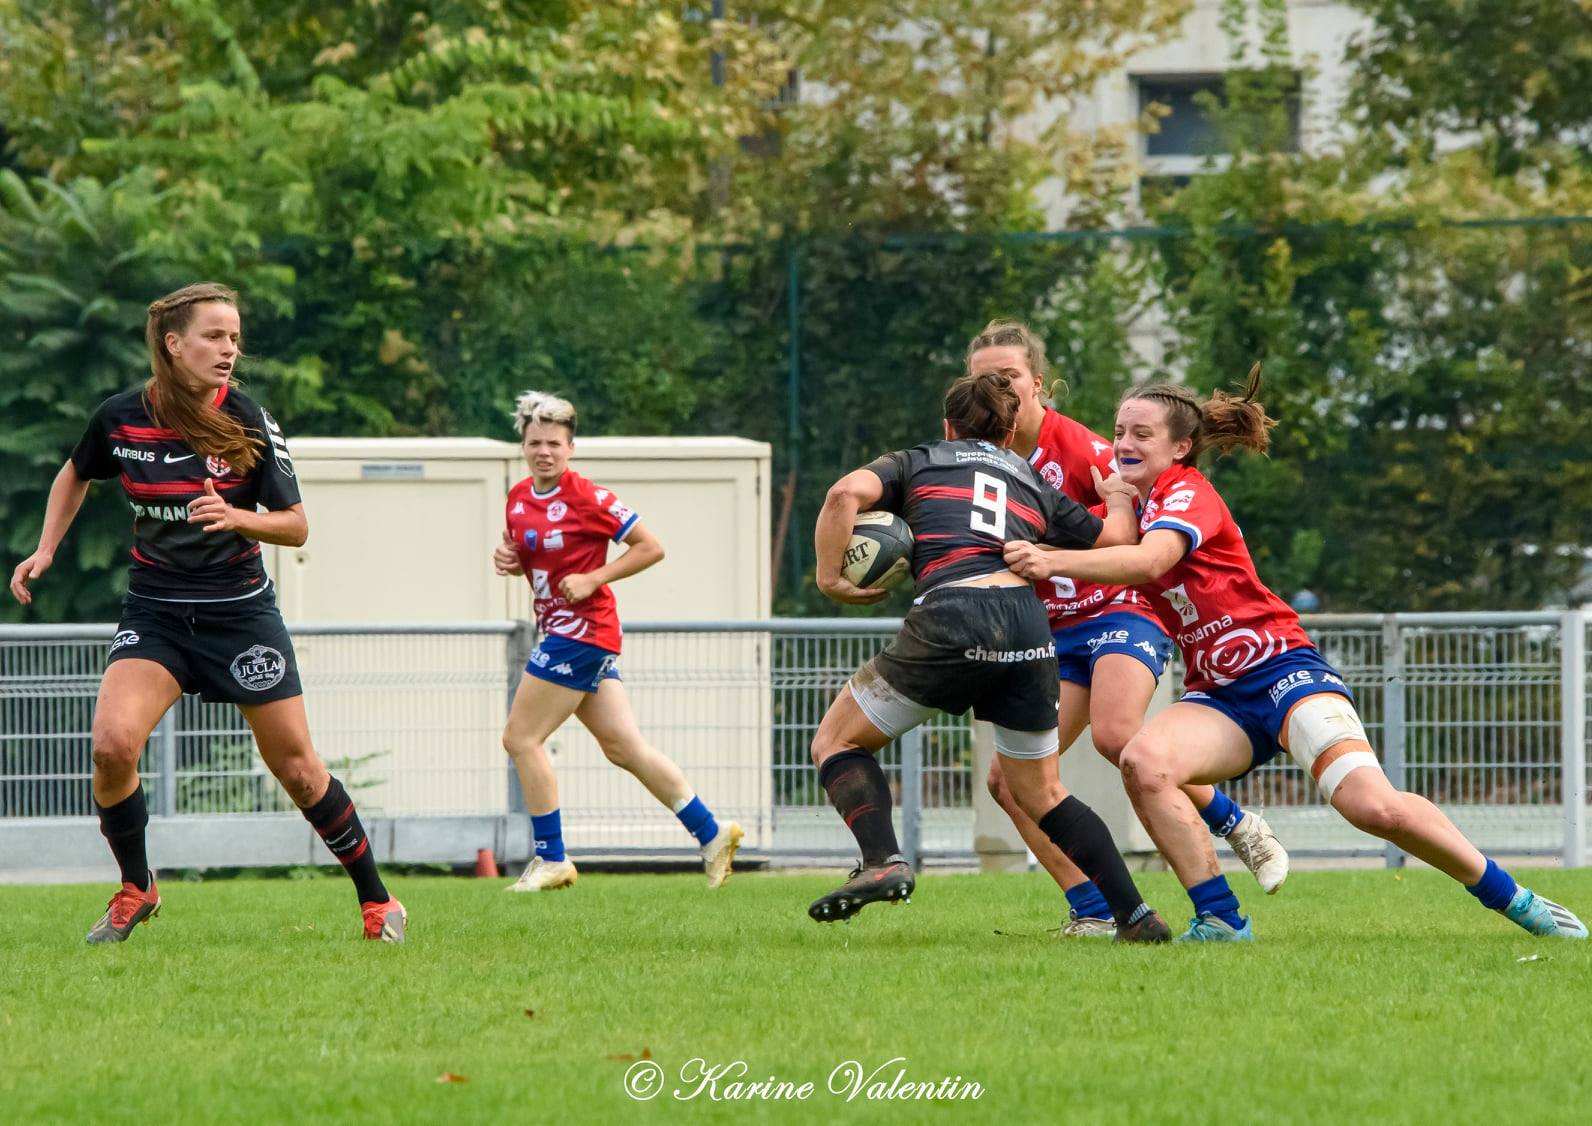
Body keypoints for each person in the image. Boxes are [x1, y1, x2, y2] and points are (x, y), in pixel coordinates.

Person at [1004, 368, 1589, 941]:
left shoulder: (1189, 491)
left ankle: (1515, 898)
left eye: (1141, 434)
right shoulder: (1136, 499)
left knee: (1371, 807)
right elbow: (1119, 540)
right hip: (1218, 694)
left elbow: (1147, 561)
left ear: (1182, 447)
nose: (1123, 443)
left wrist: (1049, 558)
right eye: (1120, 430)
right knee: (1143, 760)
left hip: (1283, 670)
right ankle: (1222, 920)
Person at [8, 282, 406, 943]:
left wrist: (237, 516)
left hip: (238, 617)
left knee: (299, 769)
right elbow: (76, 471)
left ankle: (379, 901)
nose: (231, 349)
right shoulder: (120, 416)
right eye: (216, 336)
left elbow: (297, 526)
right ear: (174, 344)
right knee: (110, 747)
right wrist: (46, 548)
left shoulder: (249, 418)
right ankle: (138, 886)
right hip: (157, 613)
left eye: (235, 337)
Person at [807, 368, 1171, 942]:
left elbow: (843, 494)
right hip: (1028, 629)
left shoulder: (917, 461)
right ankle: (1135, 915)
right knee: (1042, 792)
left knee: (836, 741)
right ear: (1007, 432)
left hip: (952, 615)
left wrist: (831, 576)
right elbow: (1116, 540)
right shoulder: (1029, 479)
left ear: (947, 424)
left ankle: (882, 859)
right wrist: (1118, 499)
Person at [967, 319, 1286, 941]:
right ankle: (1089, 908)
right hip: (1049, 632)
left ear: (1038, 384)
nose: (996, 389)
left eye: (1007, 377)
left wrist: (1052, 536)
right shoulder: (980, 460)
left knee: (1118, 737)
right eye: (983, 380)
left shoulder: (1085, 449)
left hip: (1117, 610)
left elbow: (1141, 518)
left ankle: (1235, 823)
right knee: (1010, 781)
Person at [493, 391, 742, 892]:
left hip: (580, 633)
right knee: (624, 747)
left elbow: (651, 547)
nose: (545, 451)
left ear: (571, 448)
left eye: (555, 444)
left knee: (520, 738)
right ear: (523, 444)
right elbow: (532, 552)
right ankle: (712, 833)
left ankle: (552, 857)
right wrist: (513, 560)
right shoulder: (518, 496)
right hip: (568, 632)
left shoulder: (589, 496)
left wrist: (593, 578)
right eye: (536, 442)